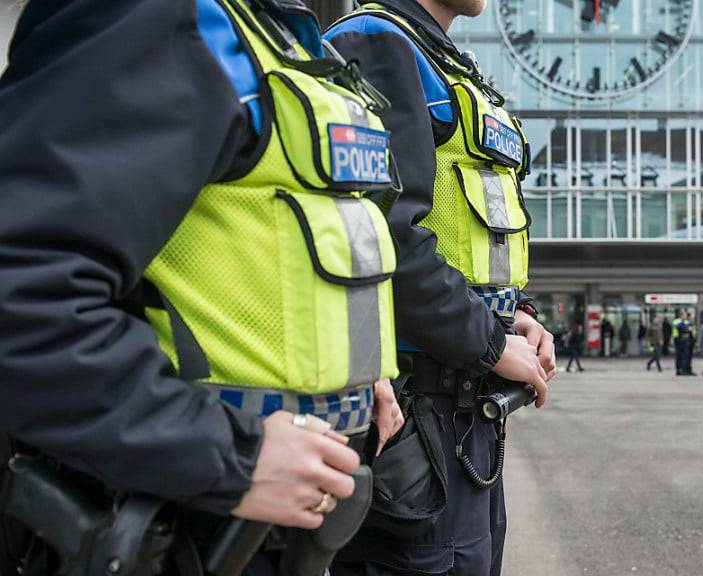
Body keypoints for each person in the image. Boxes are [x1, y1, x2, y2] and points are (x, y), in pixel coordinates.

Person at [0, 1, 407, 572]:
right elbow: (23, 291)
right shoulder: (158, 17)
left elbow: (254, 245)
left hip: (267, 518)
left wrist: (357, 372)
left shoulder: (267, 30)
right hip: (180, 522)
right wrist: (228, 457)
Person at [324, 1, 556, 574]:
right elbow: (386, 235)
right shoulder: (377, 44)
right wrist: (495, 343)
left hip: (462, 414)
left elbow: (461, 237)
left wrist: (515, 315)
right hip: (414, 415)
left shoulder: (443, 60)